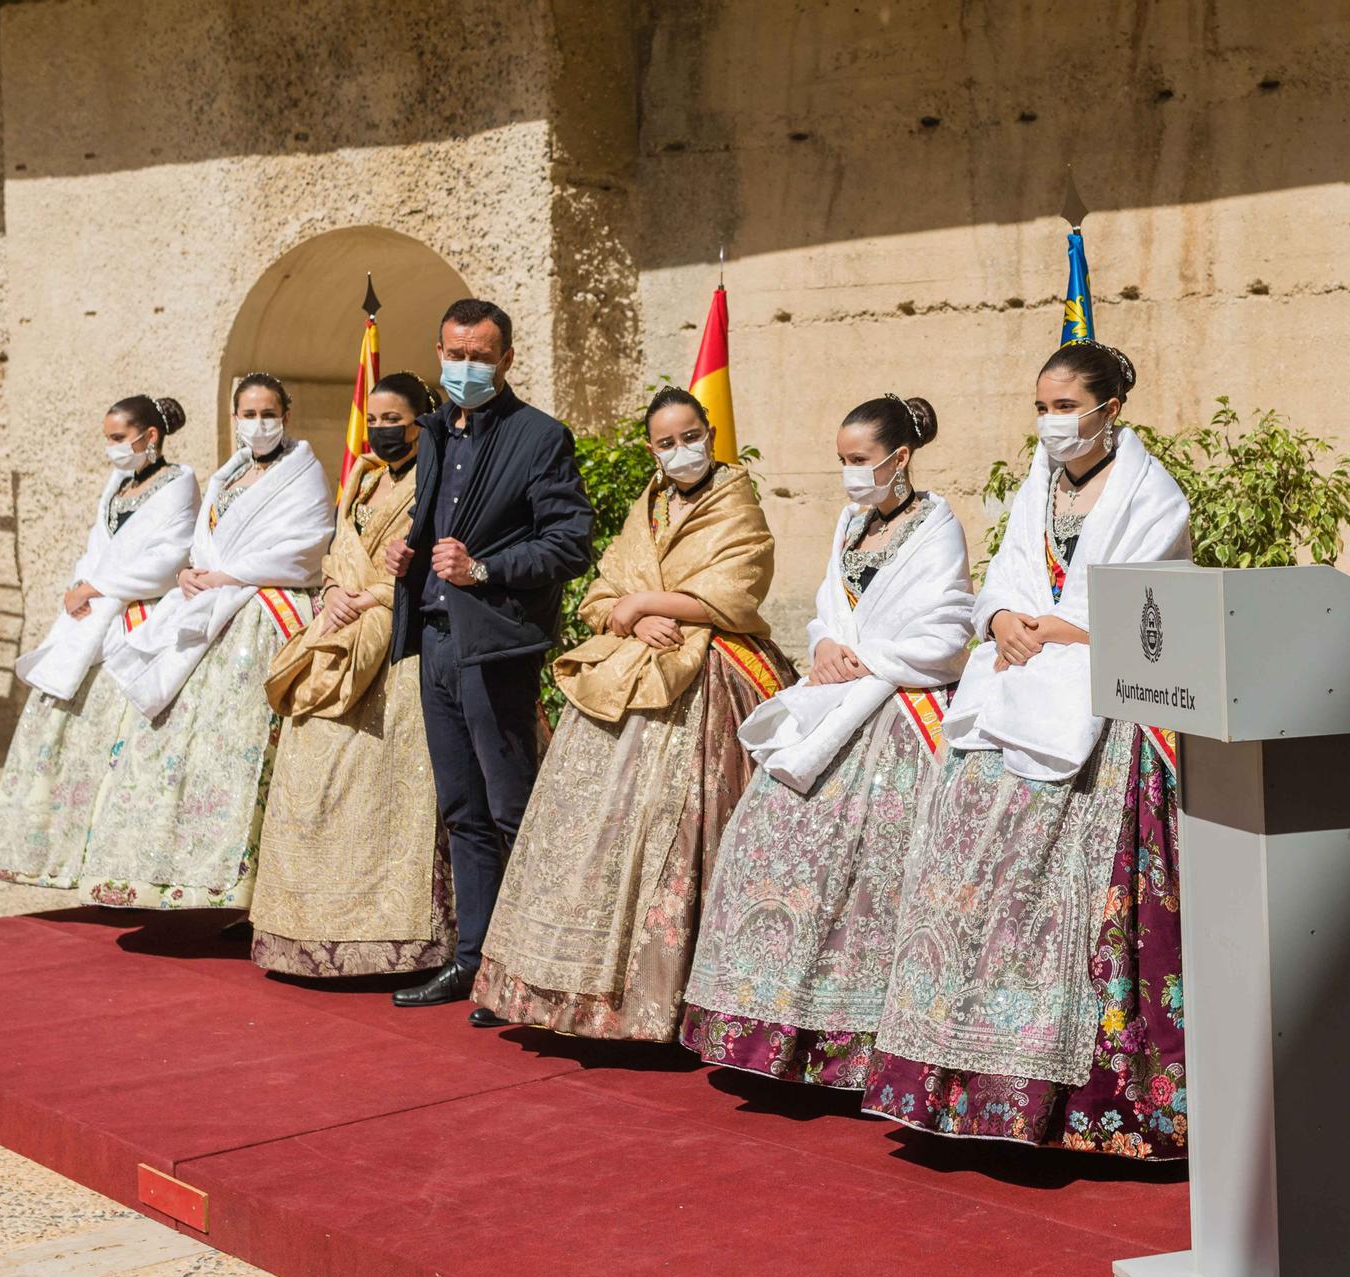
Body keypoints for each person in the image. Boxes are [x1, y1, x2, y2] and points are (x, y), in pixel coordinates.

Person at [862, 342, 1192, 1159]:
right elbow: (1008, 574)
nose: (1051, 423)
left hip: (1098, 709)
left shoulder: (1154, 496)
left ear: (1111, 410)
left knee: (1074, 899)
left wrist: (1064, 629)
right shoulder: (1038, 487)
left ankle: (1083, 1103)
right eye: (1042, 406)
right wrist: (1006, 619)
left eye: (1066, 406)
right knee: (972, 884)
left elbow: (1159, 604)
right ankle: (959, 1081)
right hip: (1015, 693)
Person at [468, 387, 793, 1039]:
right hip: (631, 665)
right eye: (666, 442)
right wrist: (637, 611)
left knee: (688, 829)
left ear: (709, 432)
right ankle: (553, 986)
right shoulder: (646, 507)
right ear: (652, 448)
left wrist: (652, 604)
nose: (681, 450)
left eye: (690, 435)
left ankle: (673, 1000)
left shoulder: (737, 501)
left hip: (709, 671)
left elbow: (739, 589)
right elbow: (605, 592)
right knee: (583, 829)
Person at [681, 394, 973, 1087]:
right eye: (842, 461)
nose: (850, 474)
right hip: (838, 689)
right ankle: (769, 1021)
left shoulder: (936, 526)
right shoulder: (849, 521)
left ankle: (860, 1042)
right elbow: (825, 609)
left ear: (900, 458)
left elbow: (947, 624)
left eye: (861, 460)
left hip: (901, 702)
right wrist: (827, 647)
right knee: (767, 835)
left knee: (877, 863)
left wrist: (870, 656)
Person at [384, 298, 594, 1007]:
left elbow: (568, 541)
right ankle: (472, 961)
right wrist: (408, 553)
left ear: (507, 359)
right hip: (437, 637)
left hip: (497, 639)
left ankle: (536, 967)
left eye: (479, 356)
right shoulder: (437, 429)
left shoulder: (540, 437)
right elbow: (438, 521)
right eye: (454, 354)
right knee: (462, 809)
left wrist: (486, 569)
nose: (464, 367)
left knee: (514, 807)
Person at [90, 373, 334, 909]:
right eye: (247, 414)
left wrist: (233, 575)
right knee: (195, 747)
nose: (258, 423)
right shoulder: (230, 474)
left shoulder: (304, 475)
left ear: (286, 416)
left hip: (265, 615)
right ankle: (193, 874)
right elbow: (204, 542)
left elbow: (309, 544)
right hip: (212, 611)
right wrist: (190, 573)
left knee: (252, 749)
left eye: (267, 412)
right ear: (234, 419)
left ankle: (259, 891)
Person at [249, 373, 454, 977]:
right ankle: (302, 930)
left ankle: (403, 937)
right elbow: (340, 550)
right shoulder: (361, 479)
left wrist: (383, 596)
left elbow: (439, 555)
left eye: (396, 420)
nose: (383, 430)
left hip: (403, 644)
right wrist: (336, 589)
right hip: (342, 631)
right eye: (376, 419)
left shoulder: (437, 479)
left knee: (383, 780)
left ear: (424, 419)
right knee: (312, 768)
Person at [0, 395, 199, 887]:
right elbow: (94, 545)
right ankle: (54, 852)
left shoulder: (178, 482)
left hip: (136, 615)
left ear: (151, 437)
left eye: (120, 439)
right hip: (93, 615)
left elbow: (170, 555)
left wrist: (99, 587)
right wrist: (79, 584)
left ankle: (117, 862)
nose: (113, 449)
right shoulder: (118, 483)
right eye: (109, 439)